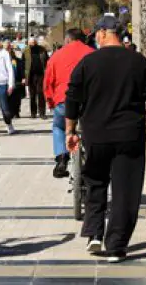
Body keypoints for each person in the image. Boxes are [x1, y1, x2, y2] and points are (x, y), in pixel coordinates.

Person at [65, 15, 146, 263]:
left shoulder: (87, 63)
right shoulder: (138, 62)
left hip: (96, 135)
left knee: (96, 182)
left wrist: (70, 130)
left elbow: (72, 98)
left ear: (101, 33)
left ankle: (94, 234)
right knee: (126, 191)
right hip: (129, 135)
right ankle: (116, 246)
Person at [43, 29, 93, 178]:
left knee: (58, 126)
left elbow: (47, 83)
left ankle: (61, 159)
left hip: (63, 101)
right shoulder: (92, 53)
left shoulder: (56, 56)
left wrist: (51, 101)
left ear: (67, 40)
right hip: (88, 102)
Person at [23, 36, 49, 119]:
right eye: (31, 43)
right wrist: (24, 76)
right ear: (29, 43)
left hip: (41, 75)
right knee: (32, 95)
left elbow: (47, 61)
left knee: (41, 94)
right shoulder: (26, 51)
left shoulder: (42, 50)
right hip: (30, 75)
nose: (32, 44)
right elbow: (22, 64)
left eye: (34, 43)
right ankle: (33, 113)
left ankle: (42, 113)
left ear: (36, 42)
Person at [3, 41, 24, 118]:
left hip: (16, 80)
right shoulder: (2, 57)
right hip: (6, 81)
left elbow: (20, 68)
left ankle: (16, 111)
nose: (8, 49)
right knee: (8, 98)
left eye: (9, 47)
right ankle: (10, 112)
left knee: (17, 98)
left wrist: (23, 77)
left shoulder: (15, 59)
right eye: (6, 48)